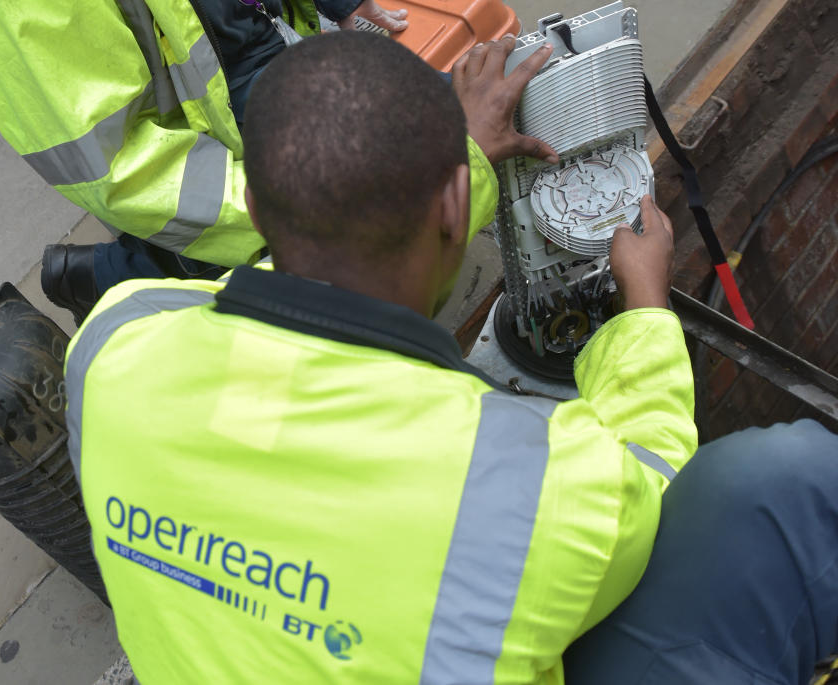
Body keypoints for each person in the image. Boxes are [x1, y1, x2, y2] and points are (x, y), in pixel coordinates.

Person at [64, 31, 838, 684]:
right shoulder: (514, 496)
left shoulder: (112, 345)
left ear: (259, 212)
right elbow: (651, 465)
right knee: (791, 482)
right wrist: (644, 308)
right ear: (458, 206)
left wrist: (441, 160)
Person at [0, 0, 516, 325]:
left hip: (255, 42)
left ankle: (112, 272)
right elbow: (123, 169)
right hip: (208, 121)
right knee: (362, 254)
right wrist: (304, 216)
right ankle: (120, 277)